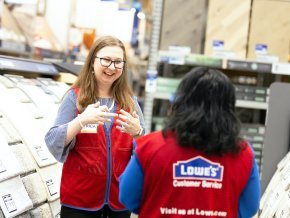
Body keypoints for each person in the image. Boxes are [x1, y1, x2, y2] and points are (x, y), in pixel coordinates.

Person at [119, 67, 260, 218]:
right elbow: (249, 208)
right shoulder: (243, 153)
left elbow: (128, 197)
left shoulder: (150, 146)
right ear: (229, 108)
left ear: (180, 102)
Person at [45, 35, 145, 218]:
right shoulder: (75, 98)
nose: (111, 67)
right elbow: (53, 141)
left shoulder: (130, 103)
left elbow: (146, 153)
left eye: (117, 62)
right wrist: (80, 121)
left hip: (119, 202)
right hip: (79, 203)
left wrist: (138, 133)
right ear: (92, 62)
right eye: (106, 60)